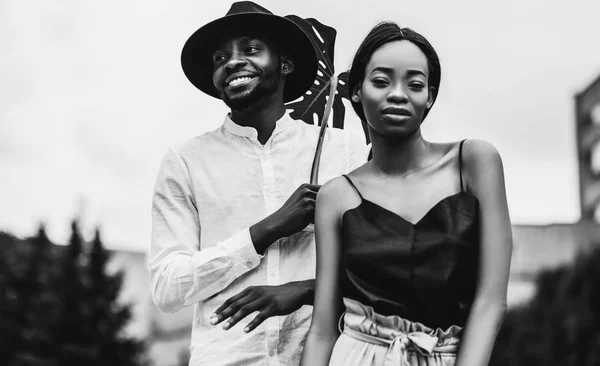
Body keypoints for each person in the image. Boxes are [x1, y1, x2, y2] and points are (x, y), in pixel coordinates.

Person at [149, 2, 369, 365]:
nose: (232, 62)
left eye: (251, 50)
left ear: (285, 64)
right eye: (221, 58)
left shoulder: (342, 150)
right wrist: (262, 232)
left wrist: (304, 291)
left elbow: (379, 270)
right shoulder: (185, 160)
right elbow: (167, 288)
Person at [301, 21, 512, 366]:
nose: (398, 94)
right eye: (381, 81)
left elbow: (491, 301)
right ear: (356, 90)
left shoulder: (474, 161)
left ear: (429, 95)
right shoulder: (336, 195)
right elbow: (323, 328)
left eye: (414, 84)